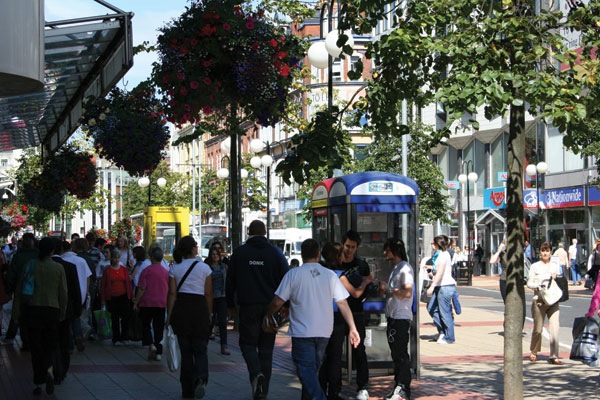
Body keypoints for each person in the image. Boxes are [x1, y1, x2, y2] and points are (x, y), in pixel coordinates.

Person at [265, 239, 360, 400]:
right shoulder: (330, 275)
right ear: (318, 254)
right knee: (311, 372)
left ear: (302, 254)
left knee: (306, 373)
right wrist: (352, 327)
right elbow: (342, 303)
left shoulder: (293, 274)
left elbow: (277, 302)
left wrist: (268, 314)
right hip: (324, 332)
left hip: (302, 333)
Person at [226, 220, 289, 400]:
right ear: (265, 232)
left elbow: (230, 281)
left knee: (247, 345)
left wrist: (230, 304)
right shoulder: (275, 253)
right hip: (270, 308)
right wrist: (285, 305)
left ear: (248, 232)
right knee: (266, 351)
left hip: (248, 307)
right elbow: (287, 280)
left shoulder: (239, 253)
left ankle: (256, 374)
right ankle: (263, 391)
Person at [14, 237, 68, 396]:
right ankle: (50, 371)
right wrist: (62, 312)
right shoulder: (58, 268)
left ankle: (38, 381)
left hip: (33, 309)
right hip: (52, 309)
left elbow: (20, 289)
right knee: (50, 345)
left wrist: (16, 312)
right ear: (52, 251)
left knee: (36, 347)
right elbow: (63, 292)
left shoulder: (31, 265)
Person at [167, 235, 213, 400]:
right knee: (200, 349)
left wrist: (169, 316)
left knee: (186, 352)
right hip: (199, 309)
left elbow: (172, 294)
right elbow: (208, 294)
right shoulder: (205, 268)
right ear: (193, 249)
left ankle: (187, 390)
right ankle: (201, 378)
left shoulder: (174, 268)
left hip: (181, 310)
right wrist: (209, 313)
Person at [337, 230, 373, 400]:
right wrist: (364, 283)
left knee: (359, 350)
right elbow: (360, 288)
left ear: (357, 247)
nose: (349, 250)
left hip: (356, 311)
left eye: (353, 247)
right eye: (347, 246)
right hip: (337, 312)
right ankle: (335, 386)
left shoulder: (361, 265)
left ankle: (363, 386)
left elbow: (369, 280)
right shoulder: (336, 263)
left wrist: (368, 283)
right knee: (335, 350)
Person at [381, 238, 414, 400]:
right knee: (396, 354)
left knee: (400, 354)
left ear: (395, 251)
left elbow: (407, 292)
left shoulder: (405, 269)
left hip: (400, 317)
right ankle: (398, 385)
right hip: (393, 317)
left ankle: (403, 387)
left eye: (387, 250)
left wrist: (389, 289)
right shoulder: (396, 269)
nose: (385, 253)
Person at [50, 238, 82, 385]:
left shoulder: (42, 265)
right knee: (64, 340)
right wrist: (77, 310)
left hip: (48, 310)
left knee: (51, 340)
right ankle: (62, 370)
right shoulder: (69, 267)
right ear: (62, 249)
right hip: (66, 309)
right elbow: (76, 291)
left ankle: (52, 369)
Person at [318, 242, 347, 400]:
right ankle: (334, 392)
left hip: (321, 317)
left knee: (323, 356)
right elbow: (348, 297)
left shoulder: (319, 272)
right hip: (336, 318)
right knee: (335, 356)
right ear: (337, 255)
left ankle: (321, 389)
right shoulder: (339, 275)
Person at [526, 242, 562, 365]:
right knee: (538, 329)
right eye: (543, 251)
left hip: (553, 300)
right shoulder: (535, 266)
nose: (545, 253)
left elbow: (560, 281)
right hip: (539, 300)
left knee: (555, 328)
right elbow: (529, 283)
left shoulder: (555, 266)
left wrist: (556, 277)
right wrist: (538, 285)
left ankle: (554, 356)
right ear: (540, 252)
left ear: (551, 252)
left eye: (547, 251)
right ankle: (534, 351)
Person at [133, 247, 169, 361]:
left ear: (151, 257)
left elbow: (142, 288)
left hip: (147, 302)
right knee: (159, 327)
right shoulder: (166, 272)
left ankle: (150, 344)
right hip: (161, 303)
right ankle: (158, 352)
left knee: (146, 325)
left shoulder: (146, 271)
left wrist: (136, 301)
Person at [426, 235, 457, 344]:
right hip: (441, 286)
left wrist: (432, 286)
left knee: (445, 312)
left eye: (433, 243)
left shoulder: (444, 255)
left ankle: (449, 337)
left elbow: (440, 272)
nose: (431, 245)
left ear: (437, 244)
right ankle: (442, 331)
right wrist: (431, 269)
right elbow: (438, 270)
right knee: (431, 307)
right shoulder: (439, 255)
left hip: (445, 286)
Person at [61, 240, 92, 352]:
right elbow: (88, 276)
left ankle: (70, 341)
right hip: (81, 292)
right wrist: (87, 290)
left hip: (67, 292)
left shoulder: (62, 260)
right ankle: (78, 337)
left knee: (67, 318)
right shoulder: (81, 260)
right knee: (76, 316)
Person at [100, 247, 133, 345]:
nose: (116, 259)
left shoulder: (124, 269)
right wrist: (103, 299)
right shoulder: (107, 270)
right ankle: (116, 338)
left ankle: (124, 336)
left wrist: (131, 296)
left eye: (118, 258)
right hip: (112, 297)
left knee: (125, 317)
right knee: (115, 318)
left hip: (124, 296)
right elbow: (103, 285)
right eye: (114, 257)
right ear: (111, 258)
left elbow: (128, 283)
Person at [206, 244, 230, 355]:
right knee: (210, 321)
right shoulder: (207, 268)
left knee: (222, 322)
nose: (215, 256)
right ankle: (205, 344)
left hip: (222, 297)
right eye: (213, 254)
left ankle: (224, 346)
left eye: (216, 254)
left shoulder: (224, 267)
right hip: (210, 297)